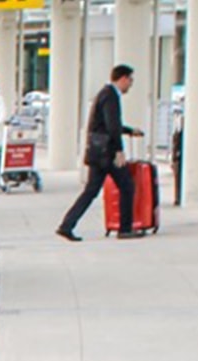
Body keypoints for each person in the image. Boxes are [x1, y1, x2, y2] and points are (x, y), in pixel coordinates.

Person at [58, 64, 148, 241]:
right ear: (122, 79)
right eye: (130, 80)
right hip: (106, 154)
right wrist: (119, 151)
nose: (131, 84)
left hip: (98, 152)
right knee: (127, 186)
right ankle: (125, 228)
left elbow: (108, 124)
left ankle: (67, 225)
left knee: (91, 190)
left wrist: (130, 130)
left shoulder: (105, 94)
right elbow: (112, 125)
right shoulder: (110, 96)